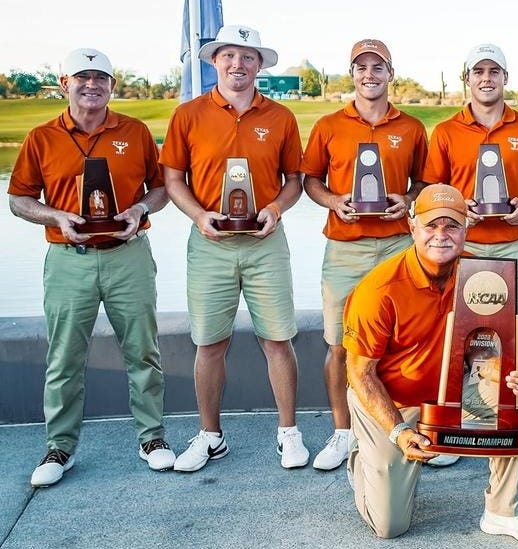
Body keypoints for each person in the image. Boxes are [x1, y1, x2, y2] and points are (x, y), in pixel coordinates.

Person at [343, 184, 518, 547]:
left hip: (454, 391)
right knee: (390, 526)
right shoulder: (379, 289)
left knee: (511, 386)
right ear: (412, 227)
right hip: (394, 400)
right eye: (431, 226)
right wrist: (397, 432)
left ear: (466, 228)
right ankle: (366, 454)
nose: (441, 236)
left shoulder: (486, 275)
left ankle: (502, 512)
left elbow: (501, 348)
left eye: (452, 226)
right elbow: (360, 372)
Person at [9, 48, 174, 486]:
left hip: (129, 255)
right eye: (82, 77)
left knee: (143, 351)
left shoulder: (135, 132)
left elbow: (160, 189)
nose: (92, 85)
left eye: (101, 78)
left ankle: (152, 438)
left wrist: (139, 208)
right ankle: (59, 448)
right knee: (64, 358)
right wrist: (56, 217)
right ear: (65, 83)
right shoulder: (42, 137)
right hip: (68, 260)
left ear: (112, 86)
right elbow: (19, 200)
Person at [160, 24, 309, 472]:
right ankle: (211, 436)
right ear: (214, 60)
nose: (237, 64)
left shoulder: (281, 117)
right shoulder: (187, 114)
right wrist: (198, 215)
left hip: (265, 242)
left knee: (278, 340)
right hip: (210, 243)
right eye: (229, 55)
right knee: (209, 343)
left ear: (259, 64)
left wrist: (277, 209)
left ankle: (289, 433)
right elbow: (172, 180)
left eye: (247, 57)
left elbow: (295, 181)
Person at [301, 38, 428, 471]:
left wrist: (408, 199)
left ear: (391, 74)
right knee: (339, 344)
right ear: (351, 73)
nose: (370, 74)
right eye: (362, 67)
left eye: (378, 67)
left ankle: (409, 427)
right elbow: (310, 181)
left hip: (397, 245)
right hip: (345, 246)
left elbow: (423, 184)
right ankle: (342, 432)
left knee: (409, 341)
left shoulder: (411, 127)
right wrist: (333, 201)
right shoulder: (329, 125)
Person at [423, 43, 518, 467]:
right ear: (467, 78)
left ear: (505, 78)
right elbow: (430, 194)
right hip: (464, 247)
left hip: (515, 244)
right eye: (479, 71)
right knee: (456, 338)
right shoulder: (445, 131)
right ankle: (455, 427)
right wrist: (458, 208)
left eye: (495, 70)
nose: (487, 78)